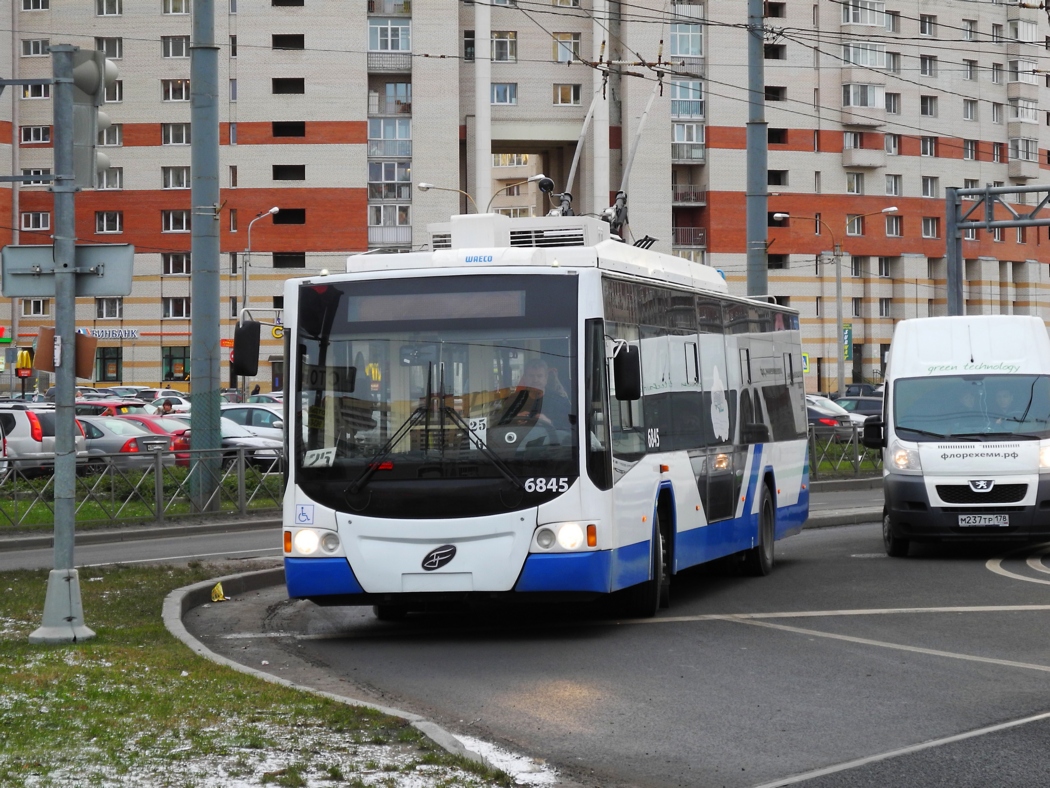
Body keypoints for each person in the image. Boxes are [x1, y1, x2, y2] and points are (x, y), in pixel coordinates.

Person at [512, 357, 572, 430]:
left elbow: (571, 428)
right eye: (531, 376)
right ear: (524, 377)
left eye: (539, 376)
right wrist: (515, 420)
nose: (535, 380)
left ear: (546, 378)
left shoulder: (560, 402)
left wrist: (550, 422)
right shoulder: (513, 401)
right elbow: (501, 424)